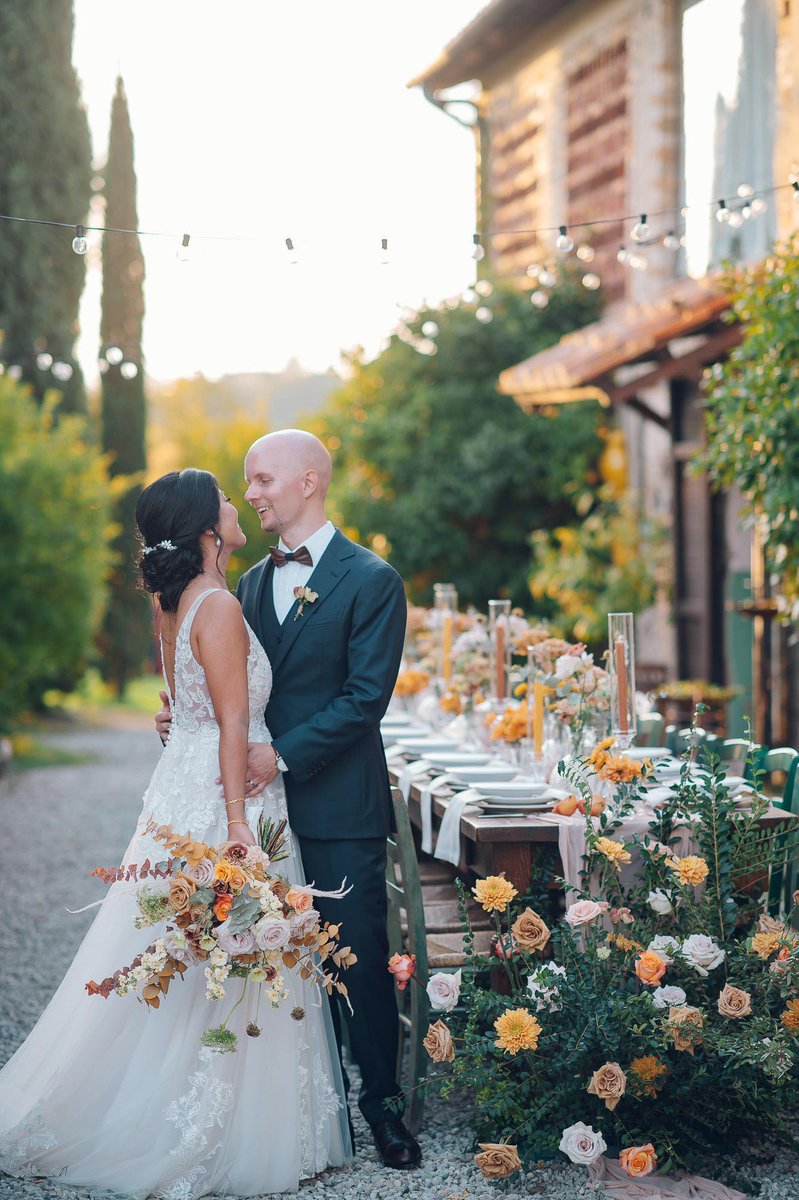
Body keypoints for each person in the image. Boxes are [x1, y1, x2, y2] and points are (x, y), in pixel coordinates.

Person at [0, 468, 351, 1198]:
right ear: (204, 527)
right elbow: (229, 723)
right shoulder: (216, 605)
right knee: (222, 943)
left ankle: (193, 1107)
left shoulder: (174, 603)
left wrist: (182, 737)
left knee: (190, 949)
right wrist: (234, 828)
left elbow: (185, 709)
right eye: (225, 498)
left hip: (184, 783)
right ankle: (215, 1129)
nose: (235, 505)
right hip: (226, 797)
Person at [156, 430, 420, 1170]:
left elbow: (364, 699)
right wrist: (186, 718)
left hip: (336, 805)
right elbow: (234, 689)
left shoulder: (373, 580)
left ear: (309, 481)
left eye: (264, 479)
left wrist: (283, 754)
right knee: (268, 961)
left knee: (358, 958)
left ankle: (383, 1111)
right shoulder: (242, 586)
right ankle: (297, 1113)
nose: (255, 494)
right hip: (260, 818)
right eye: (248, 482)